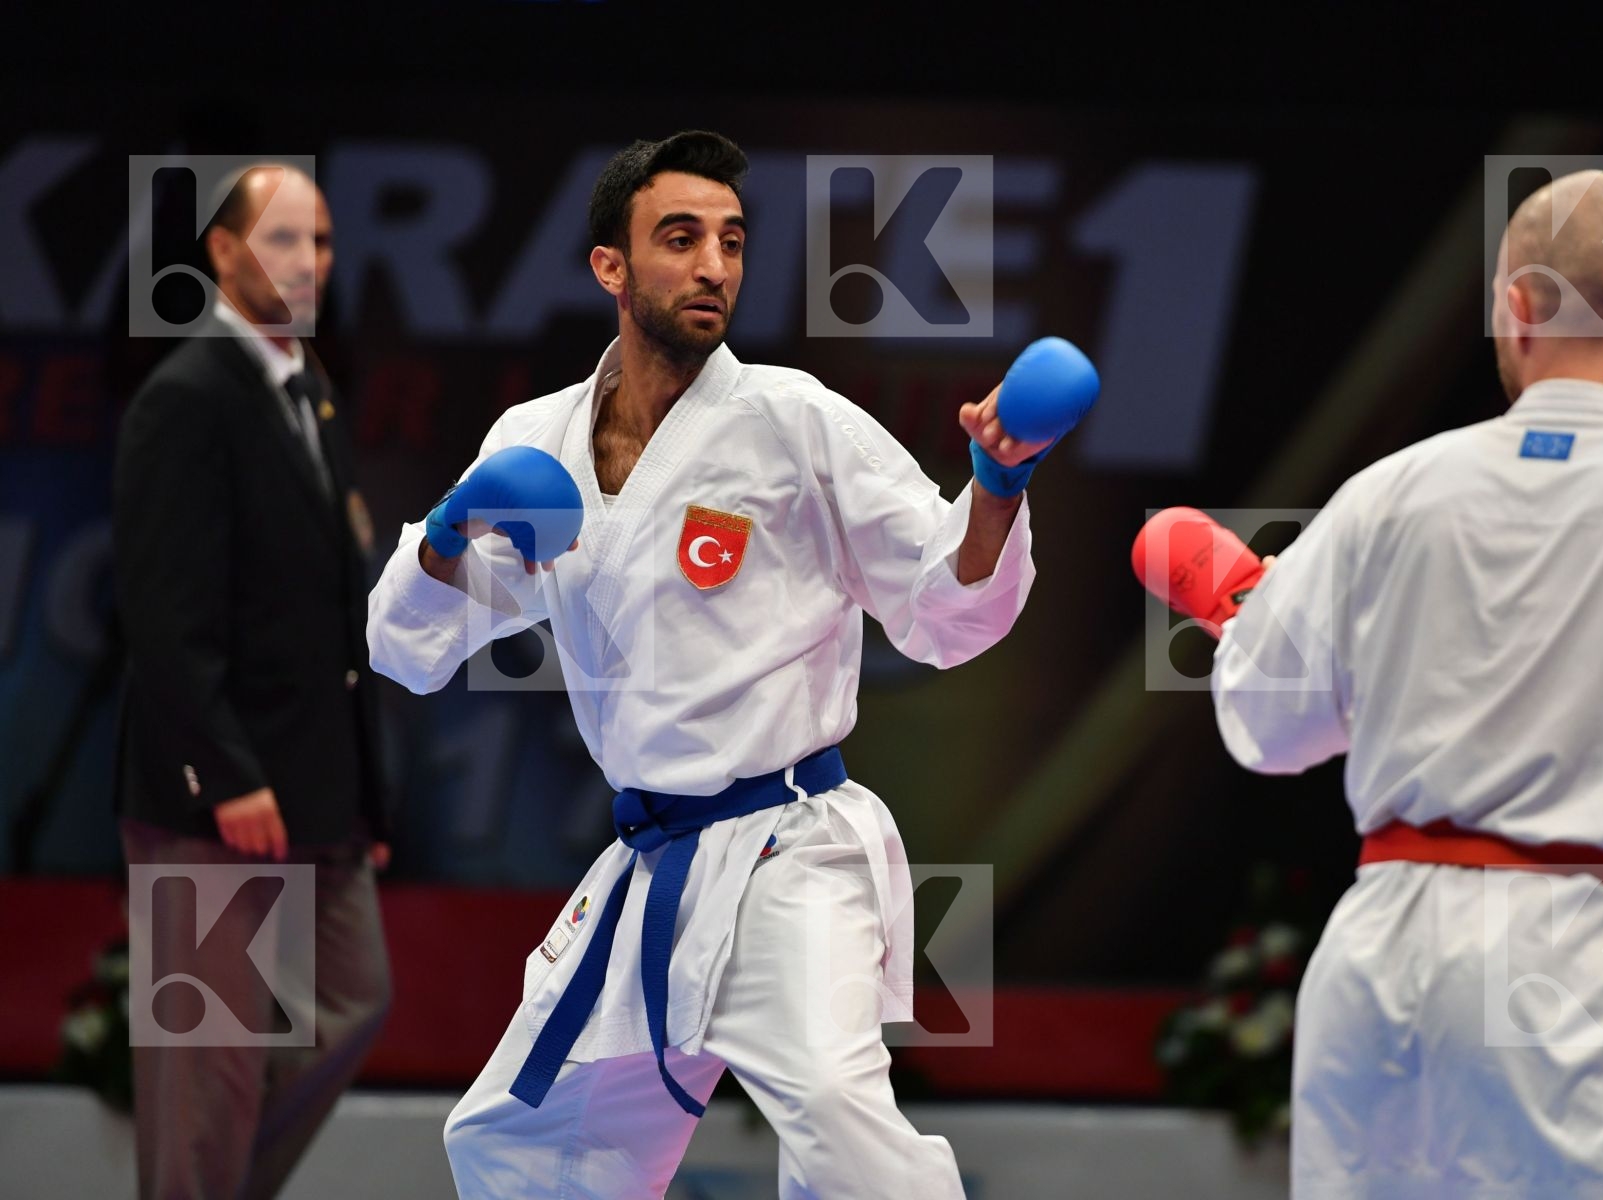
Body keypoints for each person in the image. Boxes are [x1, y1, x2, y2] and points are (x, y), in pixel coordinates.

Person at [366, 131, 1077, 1198]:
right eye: (682, 238)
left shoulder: (793, 422)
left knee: (842, 1127)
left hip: (788, 849)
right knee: (518, 1146)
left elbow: (944, 604)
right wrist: (450, 530)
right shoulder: (539, 439)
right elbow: (404, 645)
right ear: (611, 266)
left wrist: (996, 485)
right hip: (651, 863)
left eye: (733, 243)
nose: (714, 267)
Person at [1210, 169, 1603, 1199]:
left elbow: (1264, 730)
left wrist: (1239, 611)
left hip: (1377, 959)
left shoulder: (1389, 490)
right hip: (1561, 956)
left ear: (1513, 307)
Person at [113, 163, 392, 1200]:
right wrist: (221, 774)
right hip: (210, 800)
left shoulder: (309, 390)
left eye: (320, 241)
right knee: (203, 1078)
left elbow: (333, 622)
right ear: (224, 254)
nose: (310, 262)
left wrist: (366, 791)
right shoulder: (184, 398)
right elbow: (161, 617)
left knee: (355, 997)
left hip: (318, 794)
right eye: (284, 240)